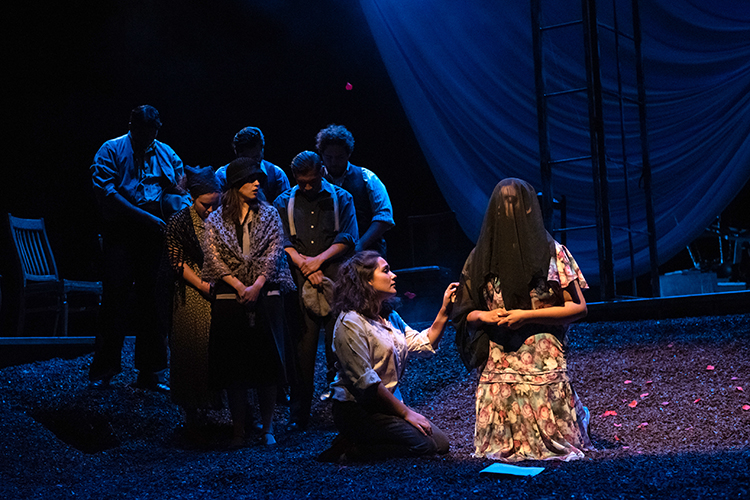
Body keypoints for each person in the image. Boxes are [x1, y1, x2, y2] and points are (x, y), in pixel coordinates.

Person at [451, 178, 592, 462]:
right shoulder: (480, 258)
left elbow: (578, 307)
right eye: (501, 204)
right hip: (499, 347)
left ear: (529, 209)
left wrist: (526, 316)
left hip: (540, 345)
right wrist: (485, 316)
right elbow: (465, 311)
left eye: (514, 202)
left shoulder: (553, 253)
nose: (507, 209)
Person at [318, 251, 457, 461]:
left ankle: (364, 441)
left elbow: (422, 344)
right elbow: (367, 383)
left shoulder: (388, 315)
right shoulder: (350, 323)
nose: (393, 275)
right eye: (386, 271)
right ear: (368, 281)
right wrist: (406, 413)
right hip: (358, 409)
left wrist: (445, 310)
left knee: (441, 444)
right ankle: (351, 450)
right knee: (424, 445)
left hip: (386, 405)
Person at [89, 104, 188, 390]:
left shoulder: (166, 153)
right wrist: (144, 215)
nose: (147, 137)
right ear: (131, 127)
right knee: (115, 298)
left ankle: (151, 372)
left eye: (152, 132)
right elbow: (107, 192)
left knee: (153, 300)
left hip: (155, 232)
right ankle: (104, 370)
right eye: (141, 132)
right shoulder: (111, 149)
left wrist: (177, 207)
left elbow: (181, 187)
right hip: (122, 230)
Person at [201, 157, 296, 447]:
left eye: (258, 180)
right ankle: (239, 429)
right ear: (235, 184)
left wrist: (256, 284)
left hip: (265, 294)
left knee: (267, 365)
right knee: (235, 367)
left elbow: (273, 251)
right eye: (250, 179)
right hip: (231, 297)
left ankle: (268, 427)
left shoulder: (269, 215)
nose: (257, 184)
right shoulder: (216, 219)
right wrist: (238, 284)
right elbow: (213, 255)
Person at [273, 151, 358, 431]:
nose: (307, 187)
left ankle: (343, 410)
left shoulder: (342, 198)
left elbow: (348, 238)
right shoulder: (283, 201)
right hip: (299, 284)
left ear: (322, 170)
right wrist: (304, 264)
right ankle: (299, 414)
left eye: (312, 181)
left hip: (334, 280)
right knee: (302, 352)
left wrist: (318, 261)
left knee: (339, 348)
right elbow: (282, 241)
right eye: (302, 182)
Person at [159, 166, 222, 438]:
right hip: (192, 288)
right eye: (205, 205)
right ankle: (192, 413)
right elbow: (176, 260)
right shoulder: (179, 221)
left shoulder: (223, 220)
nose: (210, 211)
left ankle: (225, 410)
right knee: (191, 349)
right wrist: (201, 285)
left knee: (219, 349)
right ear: (193, 199)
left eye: (215, 205)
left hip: (221, 286)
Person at [316, 124, 394, 256]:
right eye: (329, 157)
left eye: (339, 157)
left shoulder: (366, 177)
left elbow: (384, 217)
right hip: (328, 255)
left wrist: (361, 244)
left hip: (367, 253)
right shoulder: (315, 180)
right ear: (322, 154)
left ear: (349, 154)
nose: (334, 162)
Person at [215, 126, 290, 202]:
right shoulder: (222, 176)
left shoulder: (277, 175)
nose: (252, 166)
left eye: (256, 158)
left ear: (262, 149)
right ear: (237, 153)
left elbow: (285, 207)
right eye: (247, 159)